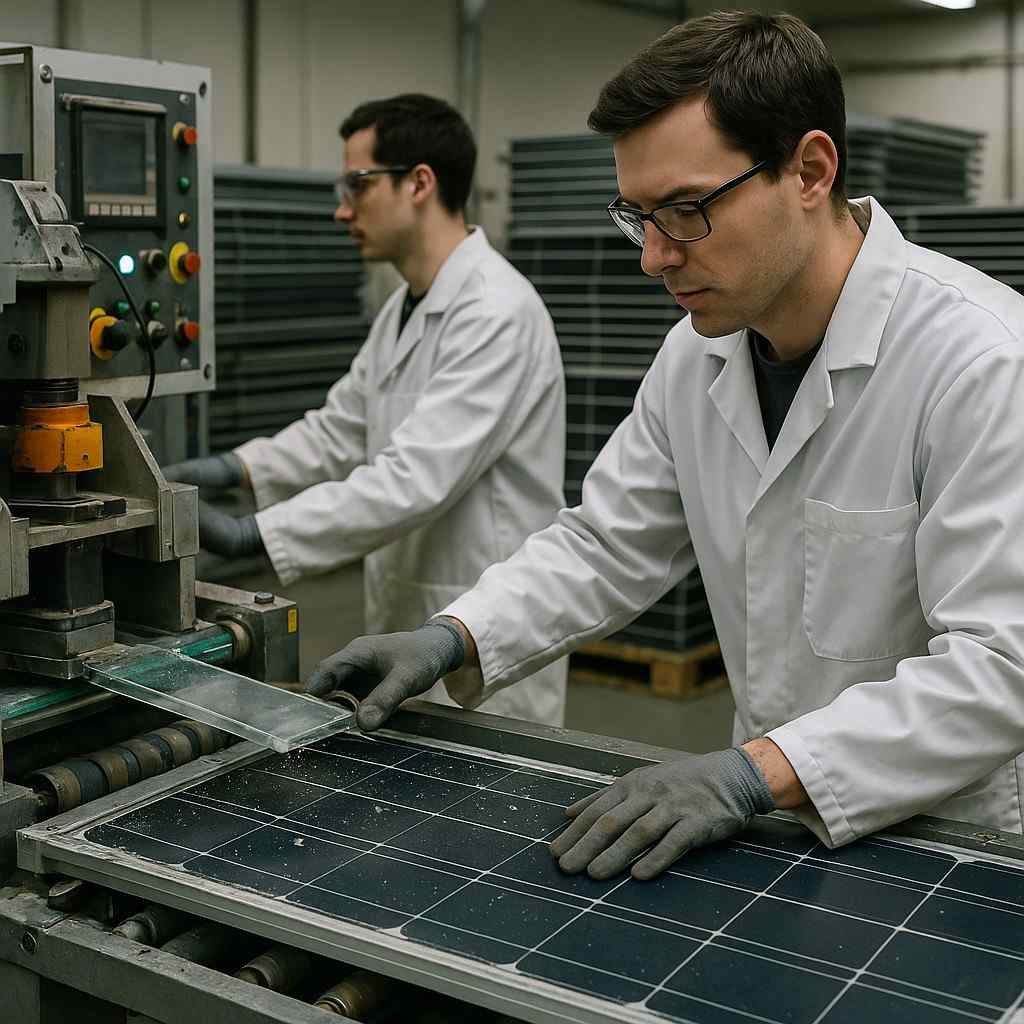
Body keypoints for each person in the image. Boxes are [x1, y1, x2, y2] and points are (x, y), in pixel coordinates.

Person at [305, 12, 1024, 881]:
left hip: (948, 842)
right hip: (773, 816)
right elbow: (608, 541)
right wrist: (453, 635)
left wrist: (750, 775)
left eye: (685, 211)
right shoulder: (701, 352)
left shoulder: (980, 360)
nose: (652, 256)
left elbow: (999, 666)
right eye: (636, 215)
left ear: (809, 169)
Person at [164, 94, 568, 726]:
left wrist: (253, 534)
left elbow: (413, 478)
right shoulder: (403, 309)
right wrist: (228, 468)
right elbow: (339, 429)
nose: (342, 208)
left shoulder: (496, 312)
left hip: (485, 635)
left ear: (419, 183)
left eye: (358, 183)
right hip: (408, 616)